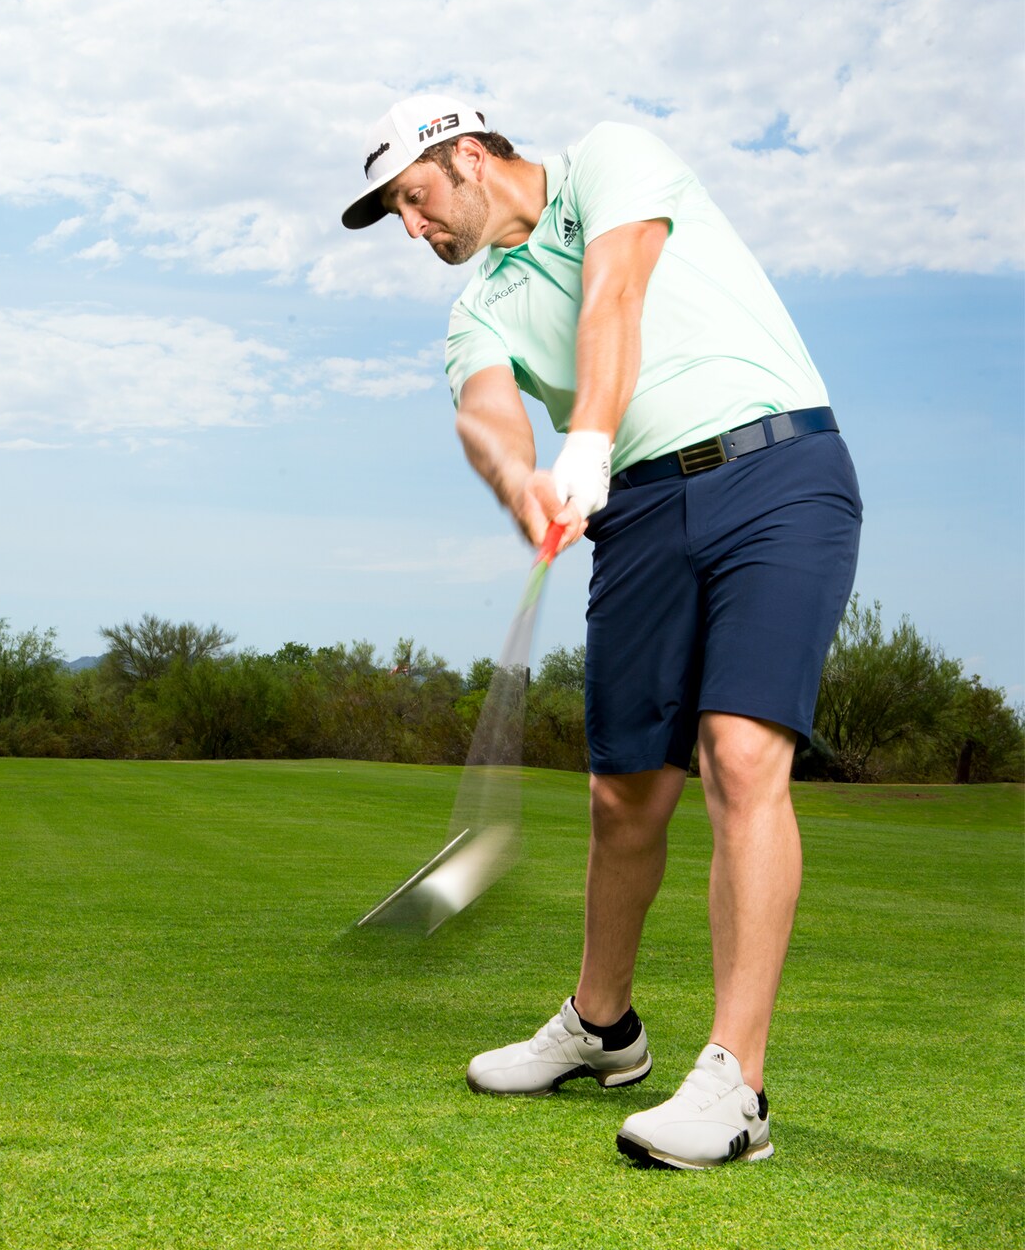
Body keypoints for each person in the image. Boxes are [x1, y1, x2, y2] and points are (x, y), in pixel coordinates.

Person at [342, 95, 863, 1170]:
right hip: (640, 512)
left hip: (777, 471)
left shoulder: (609, 160)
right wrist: (523, 479)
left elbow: (614, 293)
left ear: (469, 157)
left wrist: (584, 438)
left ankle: (736, 1083)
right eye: (398, 215)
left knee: (738, 754)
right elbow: (485, 409)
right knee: (623, 794)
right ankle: (602, 1027)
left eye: (415, 199)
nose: (413, 228)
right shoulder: (475, 306)